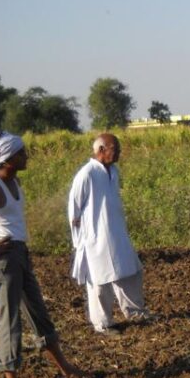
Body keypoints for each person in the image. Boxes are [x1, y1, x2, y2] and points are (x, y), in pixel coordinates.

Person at [0, 132, 87, 378]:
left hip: (20, 254)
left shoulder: (14, 182)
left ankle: (65, 367)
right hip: (4, 259)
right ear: (8, 159)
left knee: (39, 313)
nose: (26, 156)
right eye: (22, 153)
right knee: (10, 319)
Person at [68, 133, 149, 335]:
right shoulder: (86, 174)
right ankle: (103, 324)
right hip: (95, 238)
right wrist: (80, 242)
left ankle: (136, 313)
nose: (119, 152)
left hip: (117, 233)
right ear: (101, 150)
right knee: (99, 282)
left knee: (130, 273)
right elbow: (74, 210)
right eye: (116, 149)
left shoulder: (113, 171)